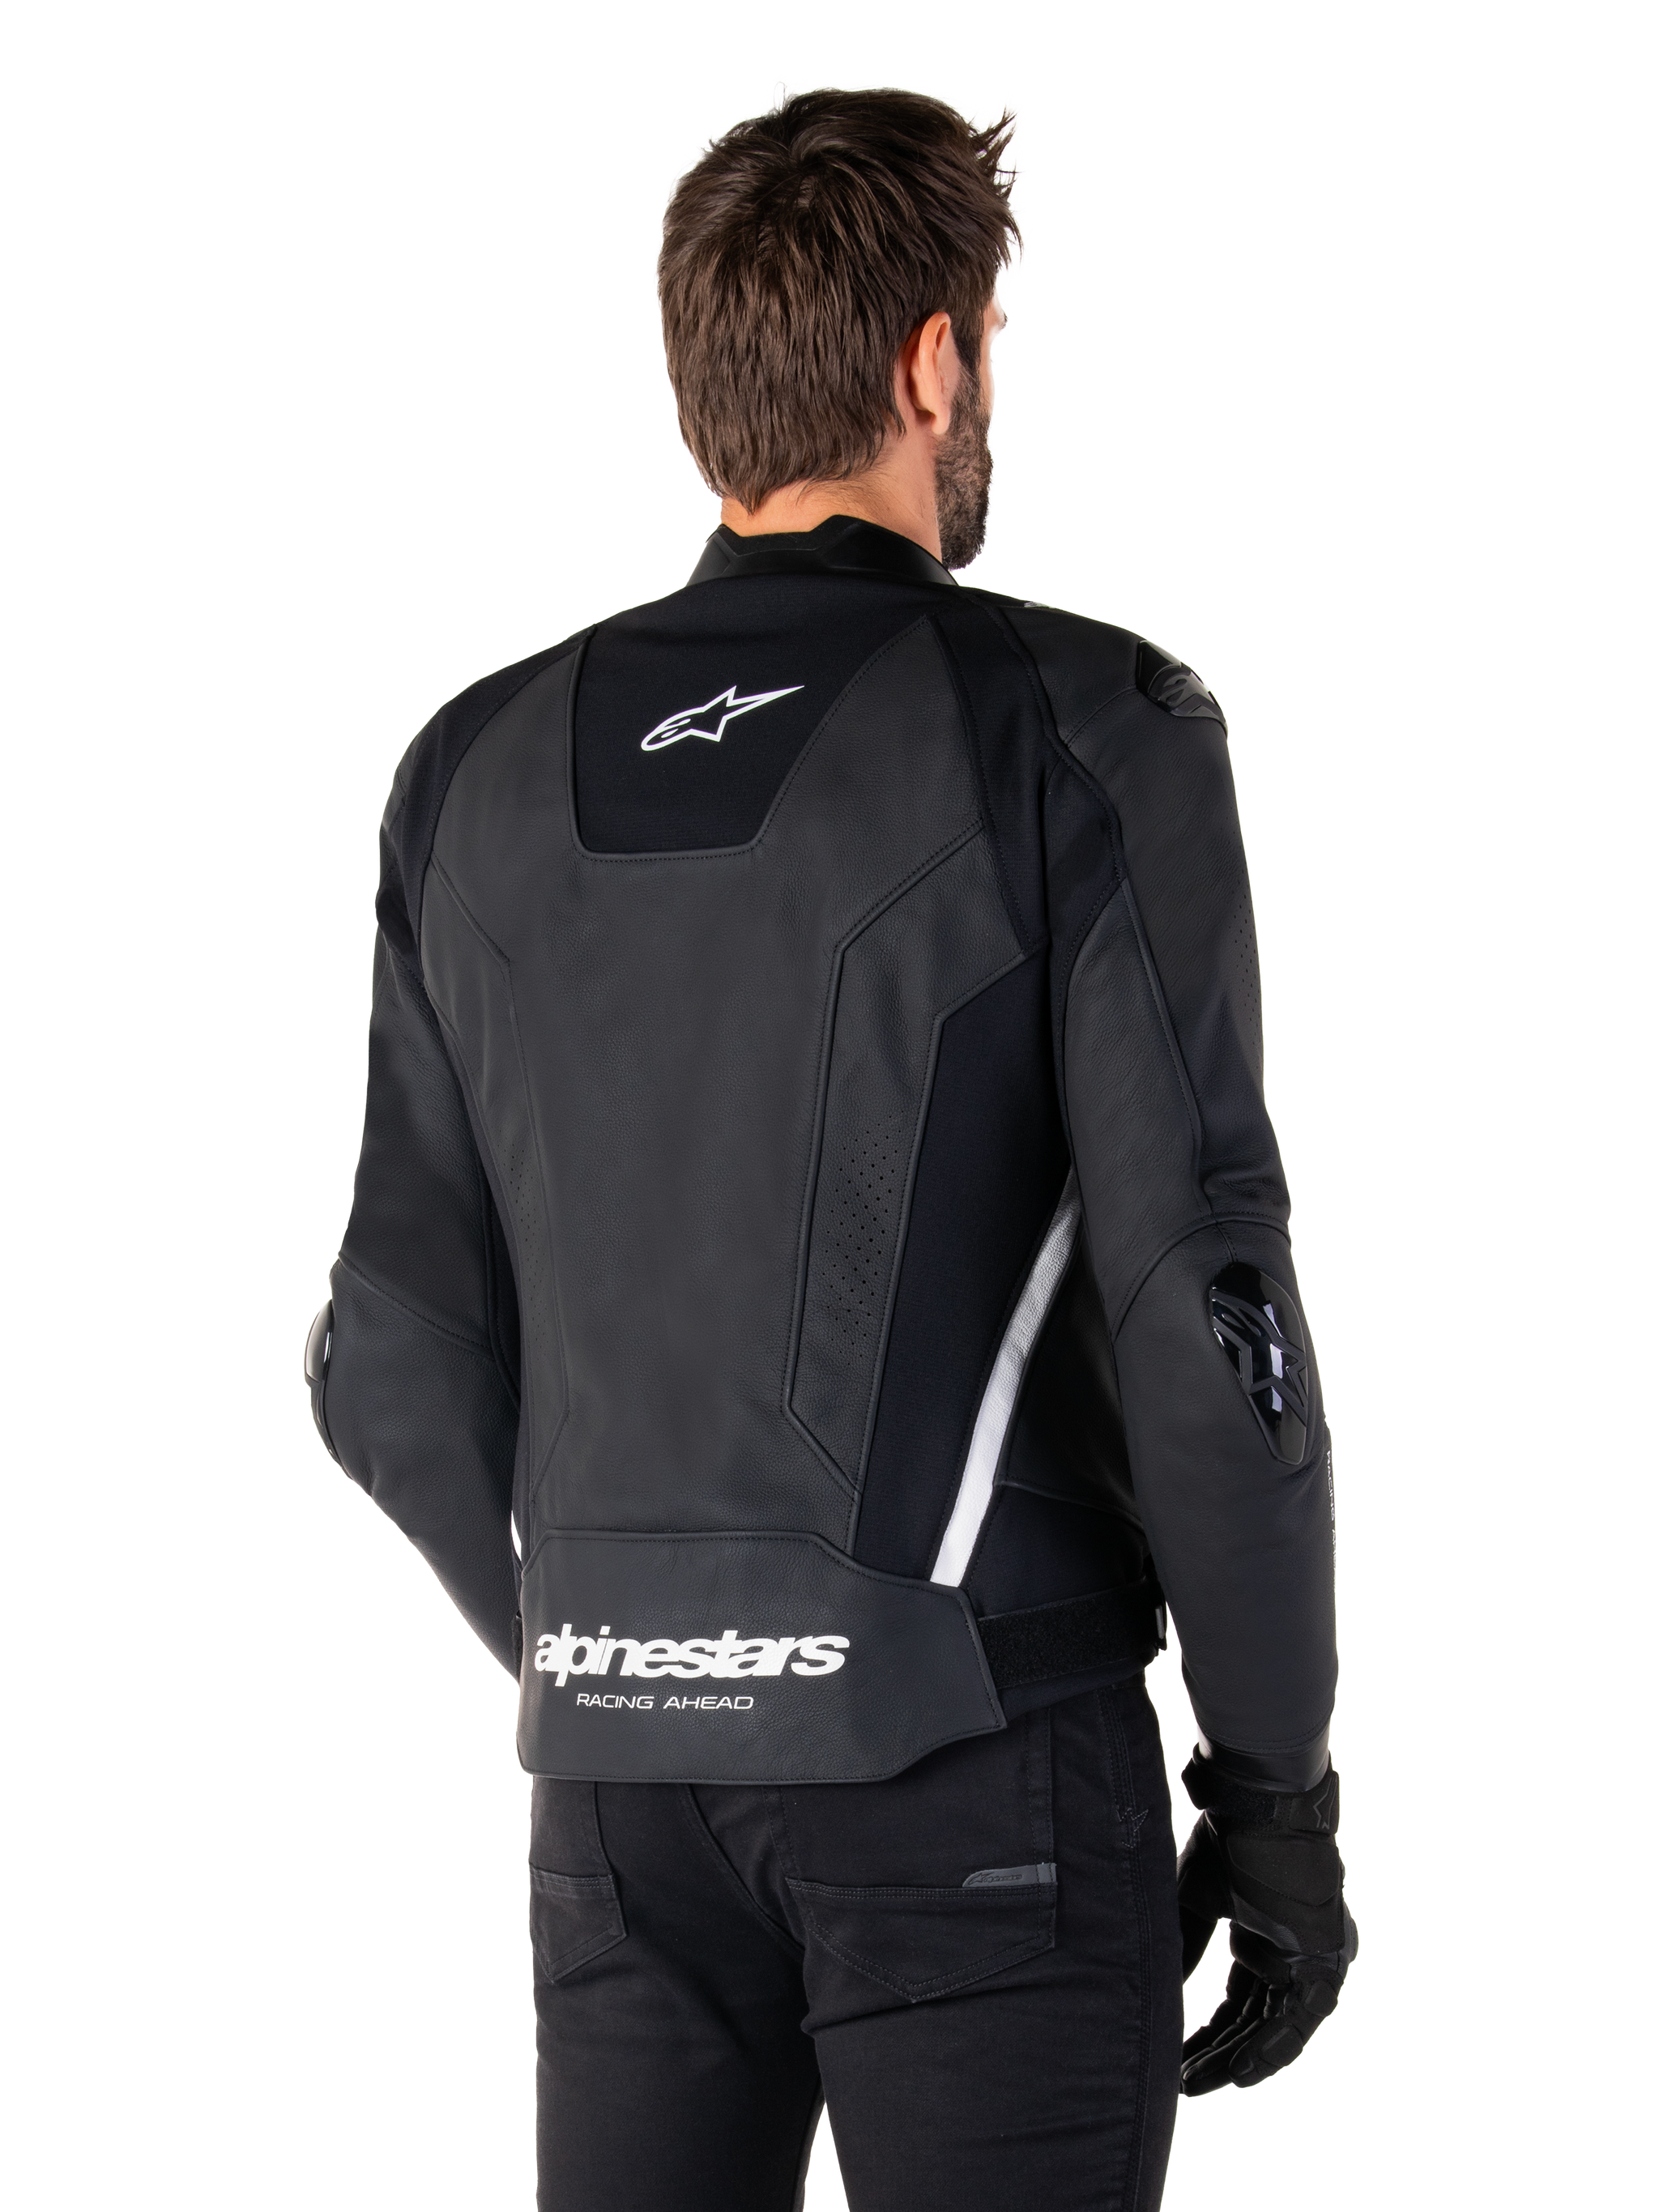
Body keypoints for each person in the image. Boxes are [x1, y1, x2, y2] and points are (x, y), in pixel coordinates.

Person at [301, 75, 1358, 2212]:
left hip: (616, 1800)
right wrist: (1279, 1810)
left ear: (703, 381)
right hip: (980, 1761)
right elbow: (1207, 1317)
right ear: (936, 362)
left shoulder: (466, 768)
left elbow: (382, 1360)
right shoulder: (1084, 724)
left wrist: (639, 1655)